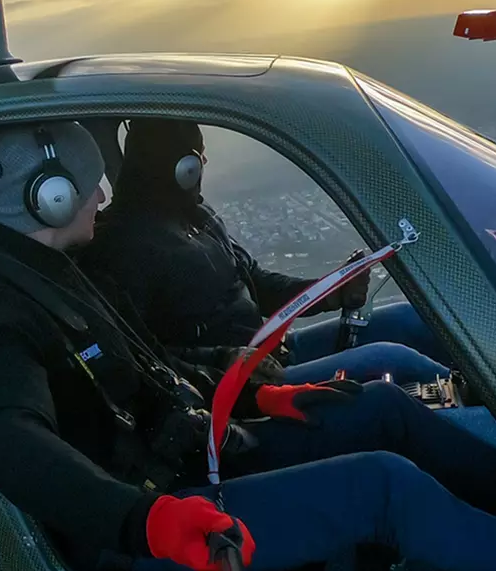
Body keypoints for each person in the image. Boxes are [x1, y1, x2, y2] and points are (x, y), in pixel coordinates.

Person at [0, 120, 496, 571]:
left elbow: (151, 366)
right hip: (160, 510)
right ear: (48, 198)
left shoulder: (49, 275)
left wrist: (260, 393)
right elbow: (4, 432)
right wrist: (144, 521)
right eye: (87, 188)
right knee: (382, 485)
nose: (100, 200)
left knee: (375, 405)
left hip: (194, 449)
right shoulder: (3, 306)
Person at [81, 118, 445, 387]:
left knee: (410, 321)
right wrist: (223, 359)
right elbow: (137, 353)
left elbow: (256, 282)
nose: (203, 167)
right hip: (241, 385)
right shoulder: (118, 247)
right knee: (392, 360)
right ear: (184, 169)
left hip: (272, 352)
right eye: (198, 159)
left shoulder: (195, 215)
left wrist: (330, 290)